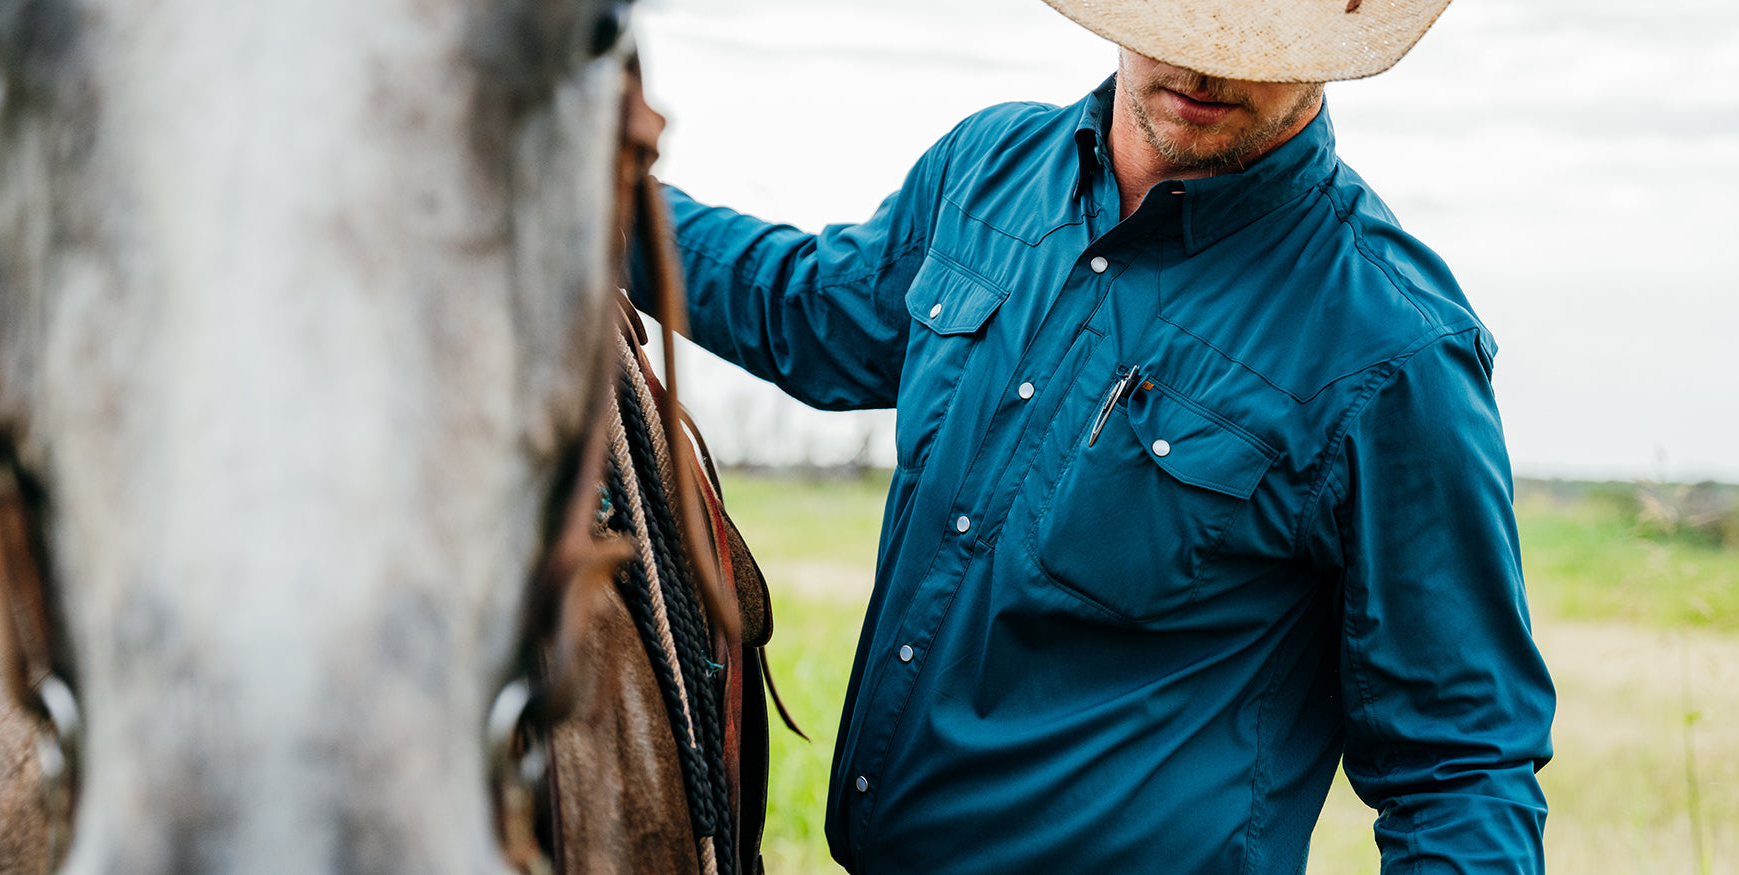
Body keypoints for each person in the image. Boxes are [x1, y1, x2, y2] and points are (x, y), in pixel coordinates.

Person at [630, 0, 1555, 871]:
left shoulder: (1392, 349)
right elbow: (816, 312)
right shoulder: (987, 170)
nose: (1204, 58)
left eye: (1259, 30)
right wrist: (593, 205)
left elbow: (1461, 766)